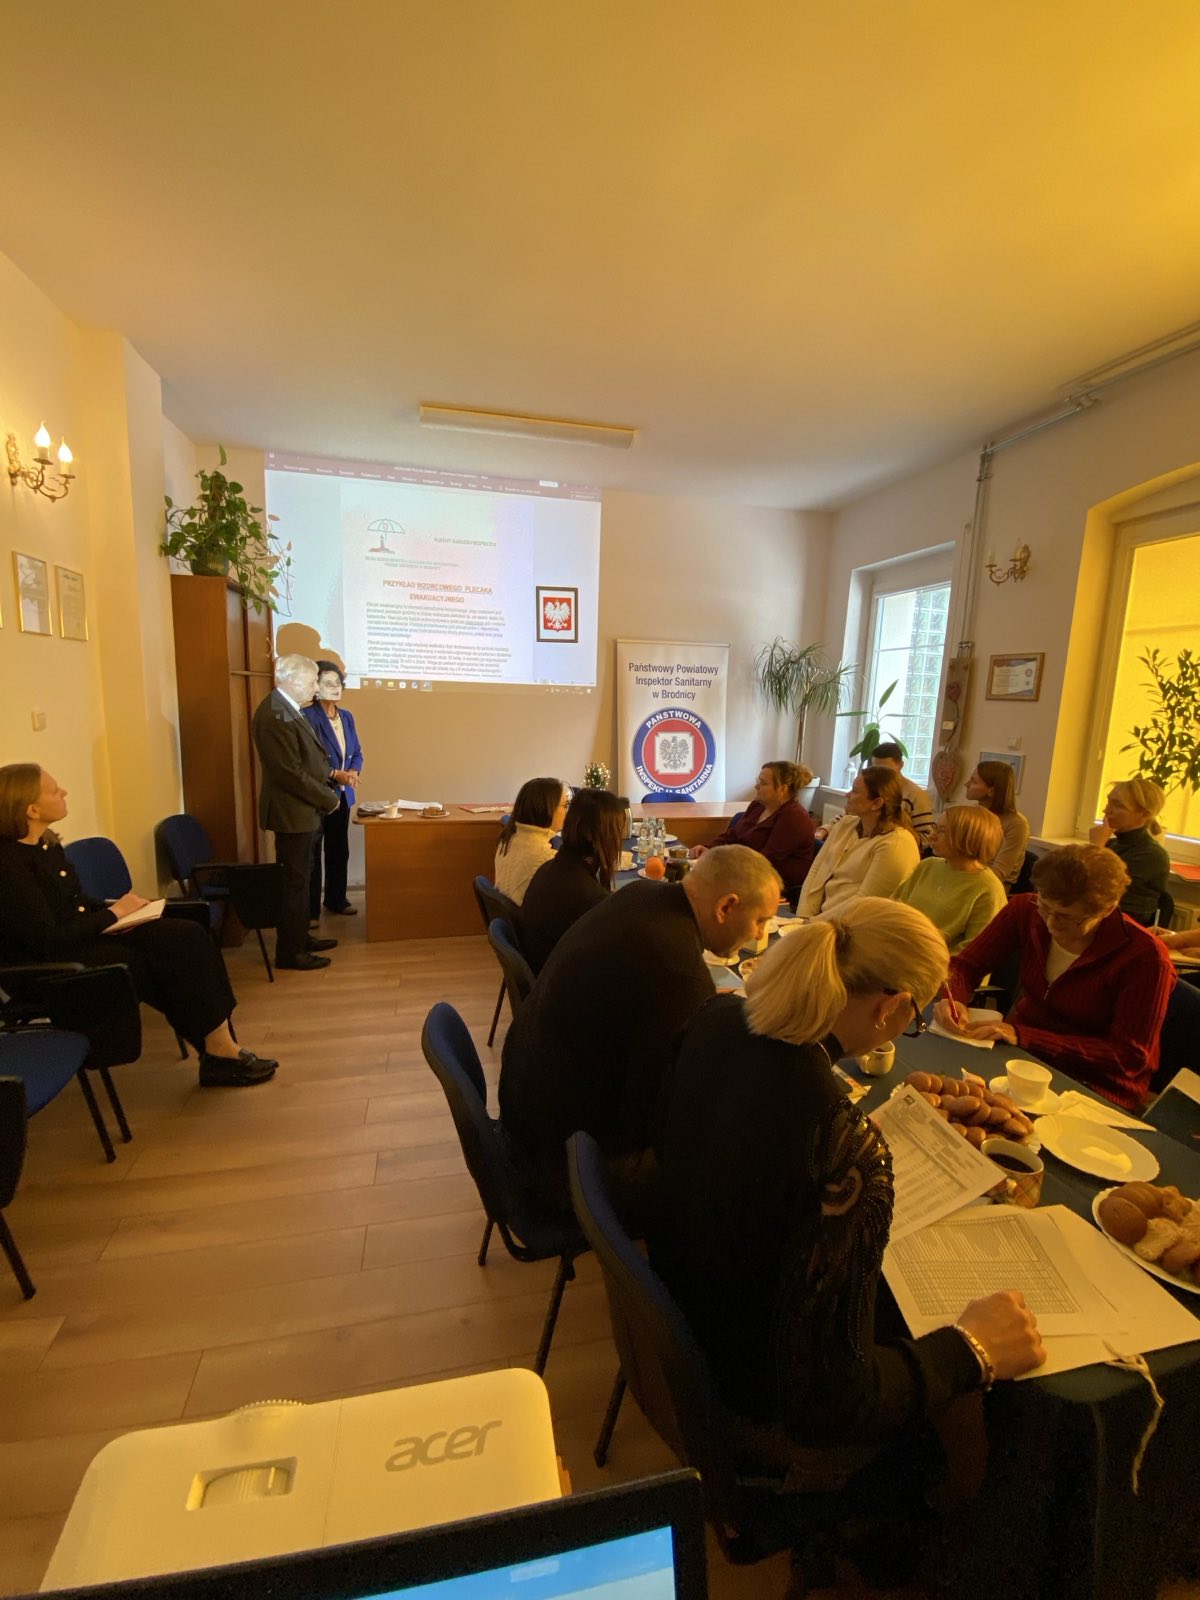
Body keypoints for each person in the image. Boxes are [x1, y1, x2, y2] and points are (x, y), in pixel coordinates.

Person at [648, 899, 1044, 1511]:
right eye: (914, 1017)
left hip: (688, 1329)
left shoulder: (717, 1017)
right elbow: (833, 1403)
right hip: (755, 1405)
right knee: (988, 1429)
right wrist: (972, 1348)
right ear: (889, 1005)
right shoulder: (842, 1149)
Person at [499, 844, 781, 1211]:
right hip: (562, 1168)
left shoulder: (640, 894)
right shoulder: (679, 974)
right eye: (760, 920)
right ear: (726, 907)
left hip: (525, 1112)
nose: (760, 933)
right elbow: (654, 1116)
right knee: (741, 1167)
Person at [0, 765, 277, 1087]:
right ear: (31, 810)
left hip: (80, 938)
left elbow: (76, 903)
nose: (64, 792)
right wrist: (114, 914)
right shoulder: (9, 866)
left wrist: (125, 910)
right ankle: (216, 1054)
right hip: (48, 965)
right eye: (53, 790)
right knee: (150, 961)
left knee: (185, 935)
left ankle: (221, 1046)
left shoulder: (46, 845)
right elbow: (48, 939)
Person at [932, 844, 1176, 1109]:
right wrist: (953, 999)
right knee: (938, 1092)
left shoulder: (1145, 958)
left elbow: (1128, 1056)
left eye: (1067, 918)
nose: (1051, 923)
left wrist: (1024, 1036)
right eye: (1046, 908)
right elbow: (966, 966)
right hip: (1019, 1060)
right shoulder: (1026, 910)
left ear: (1107, 910)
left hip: (1092, 1086)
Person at [251, 654, 340, 971]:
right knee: (294, 884)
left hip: (302, 811)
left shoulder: (288, 708)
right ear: (292, 679)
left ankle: (300, 938)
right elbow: (289, 773)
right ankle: (290, 952)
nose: (317, 688)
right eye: (313, 681)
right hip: (293, 813)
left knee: (301, 880)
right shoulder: (276, 715)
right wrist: (328, 798)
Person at [518, 788, 628, 972]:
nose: (619, 840)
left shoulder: (551, 868)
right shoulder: (588, 898)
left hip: (541, 967)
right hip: (558, 980)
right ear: (593, 835)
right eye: (616, 831)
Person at [795, 767, 920, 916]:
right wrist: (803, 916)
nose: (847, 794)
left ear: (876, 803)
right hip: (823, 919)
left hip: (854, 925)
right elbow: (816, 872)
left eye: (854, 791)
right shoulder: (845, 824)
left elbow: (863, 905)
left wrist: (814, 923)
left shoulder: (896, 845)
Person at [688, 760, 815, 897]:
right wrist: (709, 848)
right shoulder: (758, 805)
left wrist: (721, 863)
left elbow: (766, 860)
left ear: (783, 789)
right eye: (758, 781)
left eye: (763, 783)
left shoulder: (794, 817)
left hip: (772, 884)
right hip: (747, 874)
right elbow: (733, 835)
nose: (756, 786)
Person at [892, 805, 1007, 953]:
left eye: (942, 831)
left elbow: (977, 951)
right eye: (935, 828)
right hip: (898, 949)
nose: (932, 836)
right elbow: (895, 905)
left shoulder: (988, 888)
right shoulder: (928, 865)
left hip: (934, 963)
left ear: (966, 837)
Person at [303, 660, 364, 920]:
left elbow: (357, 752)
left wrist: (353, 772)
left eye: (338, 682)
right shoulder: (307, 716)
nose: (335, 687)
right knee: (312, 853)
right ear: (316, 687)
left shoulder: (346, 716)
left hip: (343, 794)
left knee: (339, 849)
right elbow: (309, 758)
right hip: (318, 794)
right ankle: (310, 912)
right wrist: (334, 774)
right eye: (328, 683)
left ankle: (336, 900)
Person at [1087, 777, 1170, 925]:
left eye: (1118, 805)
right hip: (1096, 919)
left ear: (1144, 814)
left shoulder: (1152, 855)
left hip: (1124, 925)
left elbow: (1096, 888)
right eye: (1109, 802)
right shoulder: (1111, 844)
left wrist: (1096, 847)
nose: (1106, 810)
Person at [493, 777, 571, 904]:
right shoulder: (546, 857)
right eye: (565, 805)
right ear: (548, 809)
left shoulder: (508, 838)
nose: (568, 812)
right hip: (527, 915)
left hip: (510, 913)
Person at [965, 761, 1029, 888]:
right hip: (967, 879)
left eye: (974, 781)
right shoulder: (974, 813)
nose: (966, 784)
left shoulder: (1017, 824)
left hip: (993, 887)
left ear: (991, 791)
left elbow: (998, 874)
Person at [867, 742, 935, 842]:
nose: (880, 775)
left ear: (901, 765)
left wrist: (899, 821)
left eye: (886, 770)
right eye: (875, 769)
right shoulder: (868, 788)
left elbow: (927, 839)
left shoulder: (915, 795)